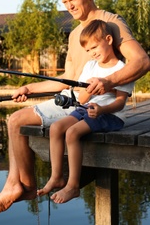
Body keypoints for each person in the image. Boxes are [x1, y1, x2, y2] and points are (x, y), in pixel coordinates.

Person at [0, 0, 150, 214]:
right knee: (15, 120)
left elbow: (142, 62)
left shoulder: (111, 22)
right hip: (74, 101)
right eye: (64, 2)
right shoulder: (76, 35)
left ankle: (19, 185)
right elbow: (66, 82)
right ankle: (23, 185)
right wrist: (29, 89)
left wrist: (107, 81)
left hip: (91, 106)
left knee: (16, 120)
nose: (69, 6)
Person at [36, 19, 134, 204]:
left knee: (72, 133)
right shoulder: (90, 66)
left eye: (95, 47)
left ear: (108, 39)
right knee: (57, 128)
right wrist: (88, 91)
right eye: (88, 50)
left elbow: (121, 103)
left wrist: (102, 108)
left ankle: (73, 186)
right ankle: (56, 177)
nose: (92, 53)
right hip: (87, 109)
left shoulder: (122, 69)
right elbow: (81, 99)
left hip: (110, 115)